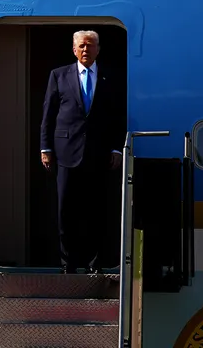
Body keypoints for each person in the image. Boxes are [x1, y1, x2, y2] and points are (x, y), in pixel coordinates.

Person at [39, 30, 126, 274]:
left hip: (98, 154)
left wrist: (116, 149)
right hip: (66, 152)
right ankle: (68, 263)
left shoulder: (111, 77)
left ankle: (94, 263)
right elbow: (48, 115)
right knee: (65, 211)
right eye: (81, 46)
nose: (86, 50)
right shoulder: (59, 75)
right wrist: (45, 148)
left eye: (90, 46)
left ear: (98, 49)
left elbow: (117, 116)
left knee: (96, 211)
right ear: (74, 50)